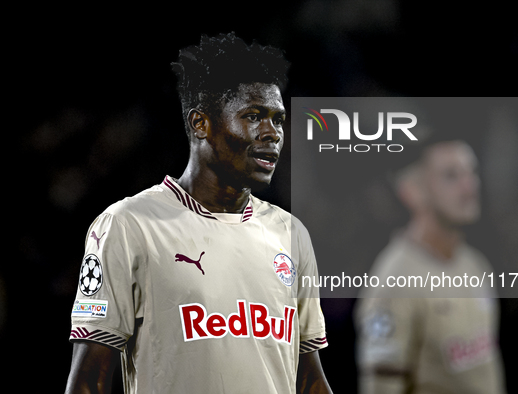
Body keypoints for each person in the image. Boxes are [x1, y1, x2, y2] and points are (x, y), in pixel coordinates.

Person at [65, 33, 332, 394]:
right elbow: (88, 382)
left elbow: (310, 379)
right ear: (200, 124)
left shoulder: (290, 233)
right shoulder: (128, 225)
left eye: (279, 120)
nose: (272, 133)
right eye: (254, 116)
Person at [355, 140, 506, 394]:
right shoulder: (394, 283)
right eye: (451, 176)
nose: (470, 186)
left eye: (472, 173)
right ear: (413, 192)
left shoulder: (474, 262)